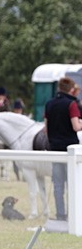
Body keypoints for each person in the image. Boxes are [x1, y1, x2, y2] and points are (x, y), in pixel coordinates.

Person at [43, 76, 82, 221]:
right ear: (71, 90)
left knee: (58, 185)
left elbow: (46, 129)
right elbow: (76, 126)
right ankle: (74, 214)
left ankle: (60, 214)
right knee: (73, 183)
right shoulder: (71, 104)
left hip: (55, 149)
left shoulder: (49, 104)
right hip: (70, 149)